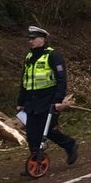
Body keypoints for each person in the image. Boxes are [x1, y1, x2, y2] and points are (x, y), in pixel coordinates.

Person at [17, 26, 78, 170]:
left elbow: (61, 80)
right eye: (29, 38)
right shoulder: (29, 57)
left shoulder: (53, 56)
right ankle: (36, 161)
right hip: (32, 100)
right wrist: (20, 101)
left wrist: (58, 101)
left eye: (33, 38)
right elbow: (24, 80)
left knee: (47, 129)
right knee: (32, 132)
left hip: (48, 99)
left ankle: (69, 145)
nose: (30, 41)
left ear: (42, 39)